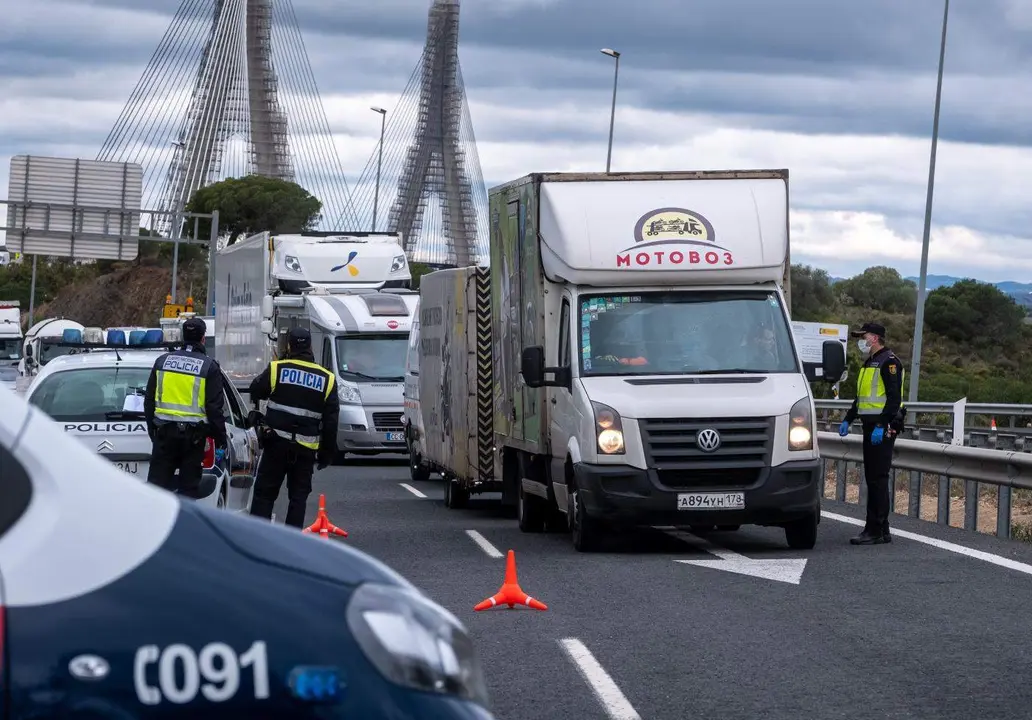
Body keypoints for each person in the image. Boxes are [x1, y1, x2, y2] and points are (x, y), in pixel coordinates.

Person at [248, 327, 340, 528]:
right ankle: (292, 543)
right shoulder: (327, 379)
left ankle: (257, 539)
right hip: (305, 450)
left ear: (289, 345)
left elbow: (256, 390)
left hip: (276, 444)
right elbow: (331, 422)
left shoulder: (277, 369)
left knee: (265, 494)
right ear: (309, 346)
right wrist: (326, 454)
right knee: (298, 498)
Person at [144, 316, 228, 498]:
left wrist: (153, 430)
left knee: (155, 492)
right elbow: (214, 408)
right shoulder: (209, 367)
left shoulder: (162, 362)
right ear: (203, 338)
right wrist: (220, 437)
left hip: (164, 436)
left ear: (183, 337)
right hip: (193, 440)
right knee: (187, 493)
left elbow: (149, 401)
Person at [838, 321, 905, 545]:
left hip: (882, 427)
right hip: (871, 426)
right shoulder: (871, 362)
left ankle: (874, 529)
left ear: (874, 338)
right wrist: (848, 418)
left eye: (863, 336)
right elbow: (862, 398)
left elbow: (894, 399)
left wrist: (881, 425)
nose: (861, 341)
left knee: (877, 478)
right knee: (875, 478)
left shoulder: (889, 363)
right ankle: (882, 529)